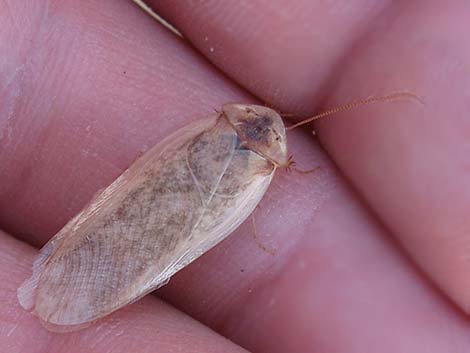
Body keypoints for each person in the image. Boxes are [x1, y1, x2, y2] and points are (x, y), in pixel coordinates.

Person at [0, 1, 468, 352]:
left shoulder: (231, 135)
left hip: (171, 184)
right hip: (182, 200)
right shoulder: (264, 169)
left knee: (140, 218)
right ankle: (59, 283)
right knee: (153, 232)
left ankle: (62, 286)